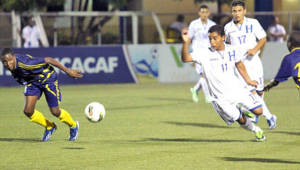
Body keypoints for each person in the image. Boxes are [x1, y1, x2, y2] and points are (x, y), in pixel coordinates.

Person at [181, 25, 266, 142]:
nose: (212, 41)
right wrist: (185, 43)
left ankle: (242, 109)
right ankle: (256, 130)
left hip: (237, 90)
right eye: (210, 38)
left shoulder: (232, 49)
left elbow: (239, 64)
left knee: (259, 111)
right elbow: (185, 58)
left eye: (215, 38)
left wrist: (248, 80)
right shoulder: (204, 53)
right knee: (239, 119)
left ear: (223, 37)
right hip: (220, 98)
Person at [0, 48, 82, 142]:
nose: (8, 64)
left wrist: (68, 71)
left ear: (14, 57)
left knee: (55, 112)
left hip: (47, 78)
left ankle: (73, 125)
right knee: (28, 111)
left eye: (10, 61)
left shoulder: (26, 63)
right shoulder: (12, 67)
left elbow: (48, 60)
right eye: (5, 62)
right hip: (33, 82)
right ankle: (49, 126)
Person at [224, 0, 277, 130]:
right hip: (240, 65)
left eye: (239, 11)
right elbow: (227, 45)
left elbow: (263, 38)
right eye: (234, 11)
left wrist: (254, 49)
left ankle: (259, 114)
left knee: (259, 91)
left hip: (254, 63)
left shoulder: (253, 23)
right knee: (250, 91)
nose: (236, 14)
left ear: (244, 11)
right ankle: (269, 116)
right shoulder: (228, 28)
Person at [188, 4, 216, 103]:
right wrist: (190, 56)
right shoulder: (194, 24)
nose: (204, 14)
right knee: (203, 75)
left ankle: (195, 89)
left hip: (209, 54)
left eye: (206, 12)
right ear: (199, 13)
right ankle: (208, 97)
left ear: (209, 13)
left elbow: (215, 39)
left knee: (208, 75)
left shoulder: (212, 25)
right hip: (197, 54)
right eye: (202, 12)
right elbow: (189, 39)